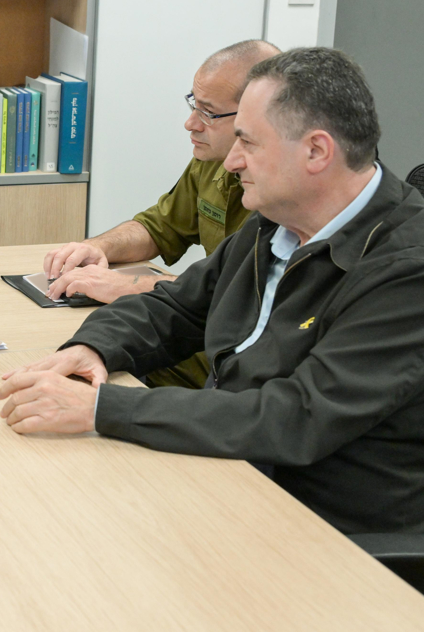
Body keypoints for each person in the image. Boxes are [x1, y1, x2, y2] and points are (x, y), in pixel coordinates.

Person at [0, 47, 424, 544]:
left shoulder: (415, 274)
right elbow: (176, 307)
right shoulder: (277, 223)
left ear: (316, 152)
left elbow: (297, 417)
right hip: (235, 477)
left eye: (248, 142)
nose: (233, 160)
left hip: (332, 533)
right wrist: (90, 350)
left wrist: (99, 409)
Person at [43, 39, 280, 388]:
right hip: (190, 343)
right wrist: (100, 248)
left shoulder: (283, 197)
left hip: (222, 363)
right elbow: (161, 226)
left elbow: (239, 299)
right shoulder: (211, 163)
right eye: (193, 105)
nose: (190, 124)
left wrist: (129, 286)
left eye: (208, 113)